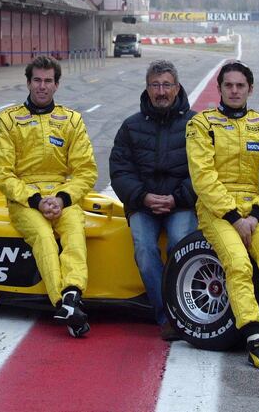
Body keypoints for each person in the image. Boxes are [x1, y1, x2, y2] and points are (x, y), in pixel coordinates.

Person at [185, 60, 259, 370]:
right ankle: (253, 339)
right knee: (238, 264)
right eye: (228, 85)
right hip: (216, 210)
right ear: (219, 89)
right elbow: (202, 176)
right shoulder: (201, 124)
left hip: (256, 210)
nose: (234, 90)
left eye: (240, 86)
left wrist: (256, 214)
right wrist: (234, 217)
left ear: (250, 89)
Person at [0, 55, 98, 338]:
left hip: (63, 194)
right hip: (24, 198)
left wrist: (62, 198)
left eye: (48, 81)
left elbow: (86, 171)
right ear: (28, 82)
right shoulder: (8, 120)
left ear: (57, 84)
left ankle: (72, 296)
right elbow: (3, 174)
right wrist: (37, 200)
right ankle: (63, 302)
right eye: (37, 80)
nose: (42, 86)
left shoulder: (72, 120)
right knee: (43, 236)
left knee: (75, 232)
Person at [110, 59, 198, 341]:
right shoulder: (130, 126)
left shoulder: (197, 124)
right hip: (143, 204)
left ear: (177, 87)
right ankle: (169, 316)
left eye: (166, 85)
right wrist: (143, 197)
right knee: (145, 250)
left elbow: (205, 172)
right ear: (147, 89)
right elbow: (120, 171)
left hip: (181, 203)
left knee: (179, 247)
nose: (161, 91)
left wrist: (176, 198)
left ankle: (182, 312)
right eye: (155, 85)